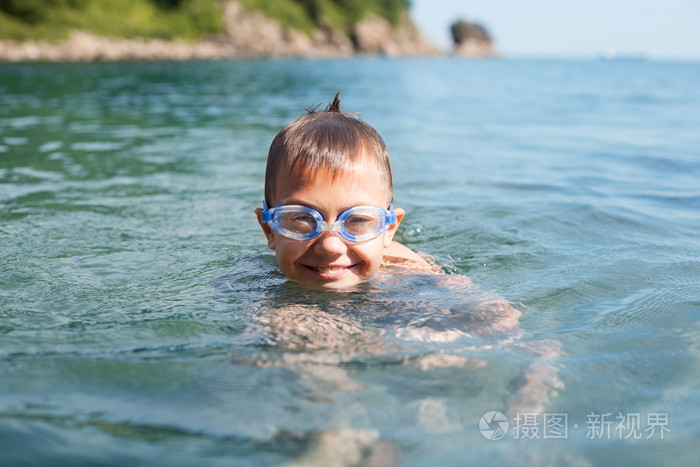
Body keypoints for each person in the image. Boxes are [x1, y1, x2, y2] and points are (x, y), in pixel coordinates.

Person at [255, 93, 435, 289]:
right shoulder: (249, 280)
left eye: (358, 219)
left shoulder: (414, 275)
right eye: (303, 218)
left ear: (389, 230)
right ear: (269, 230)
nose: (330, 247)